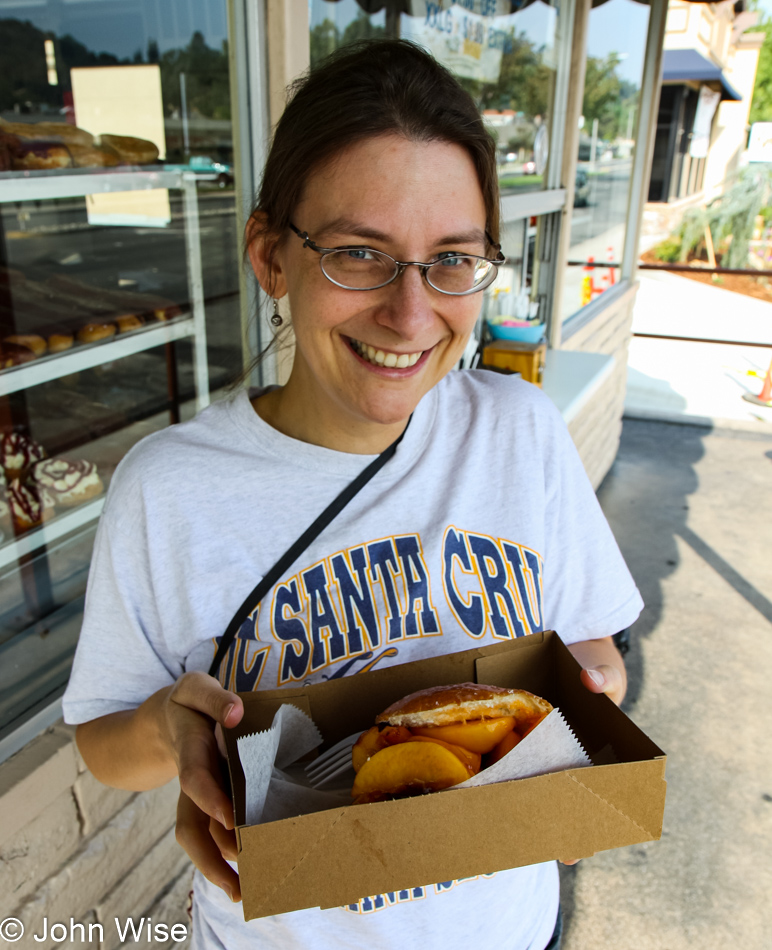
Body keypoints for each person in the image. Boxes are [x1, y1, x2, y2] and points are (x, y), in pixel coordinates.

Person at [63, 39, 642, 950]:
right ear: (269, 257)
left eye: (452, 259)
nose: (411, 316)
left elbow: (591, 644)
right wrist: (173, 740)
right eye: (359, 255)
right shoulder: (170, 489)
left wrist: (593, 689)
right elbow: (103, 743)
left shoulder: (519, 433)